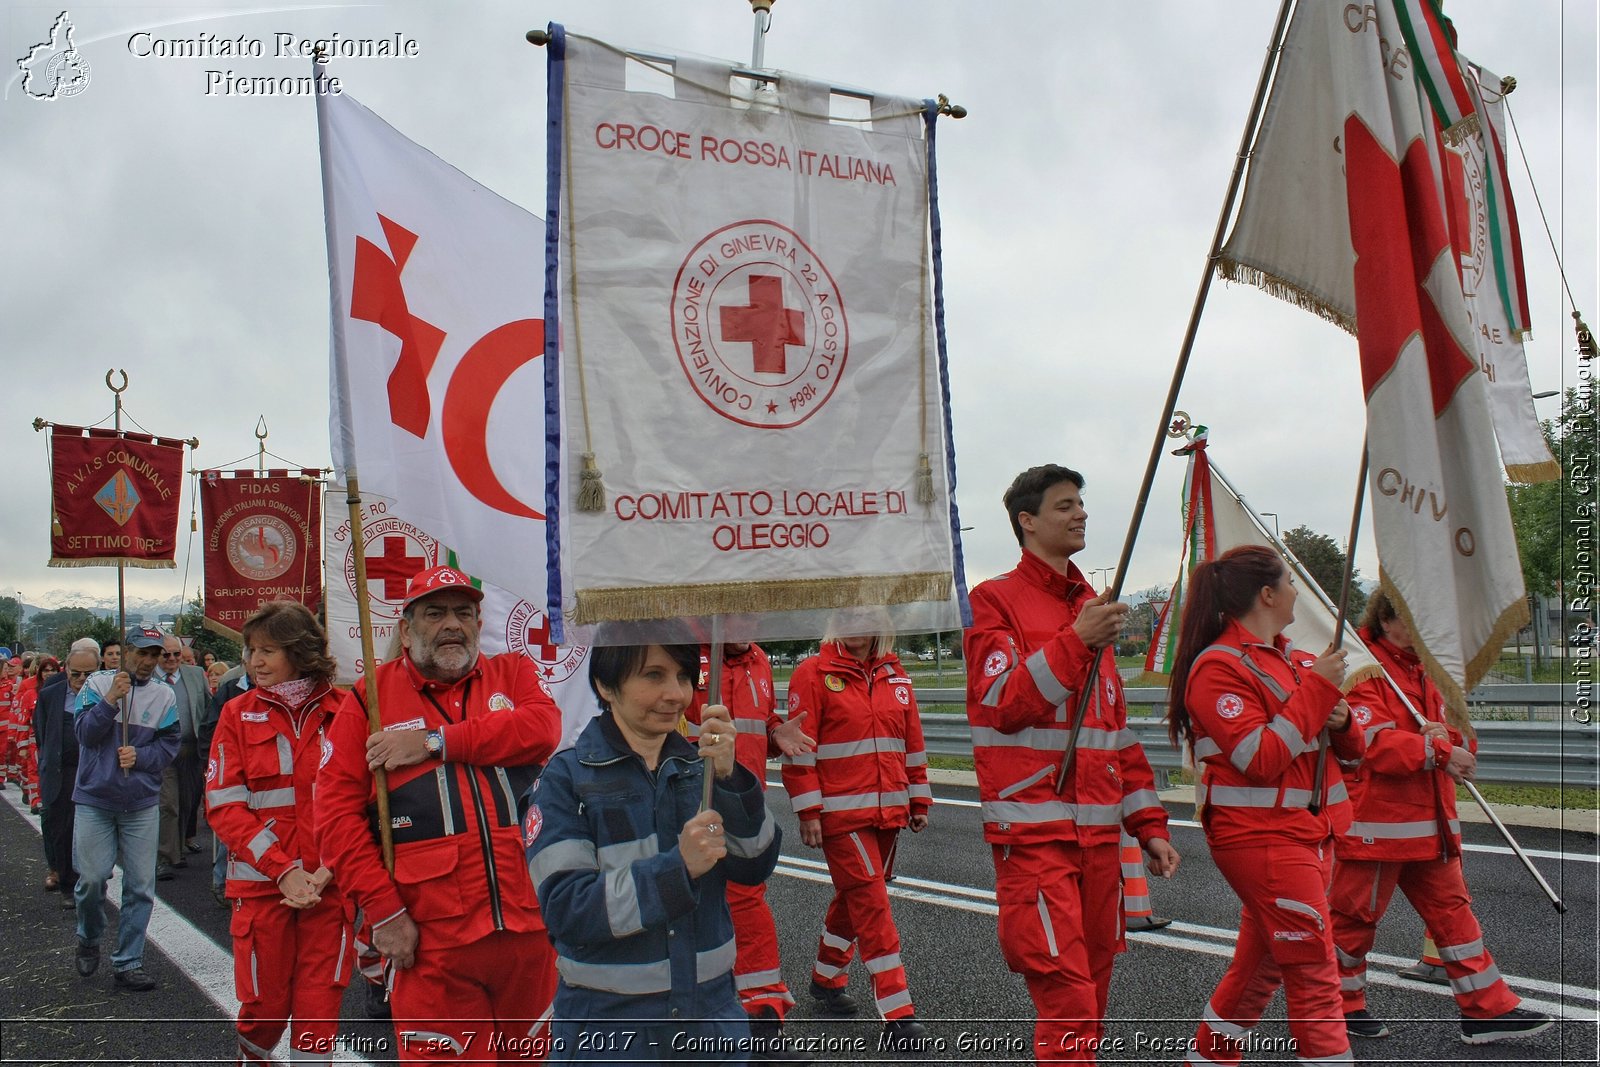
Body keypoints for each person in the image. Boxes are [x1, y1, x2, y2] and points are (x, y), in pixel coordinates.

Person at [962, 464, 1177, 1062]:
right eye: (1064, 505)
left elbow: (1114, 733)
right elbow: (1001, 702)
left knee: (1095, 994)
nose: (1080, 513)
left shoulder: (1092, 607)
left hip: (1101, 839)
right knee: (1069, 999)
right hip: (1034, 834)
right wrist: (1076, 641)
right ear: (1026, 521)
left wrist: (1150, 827)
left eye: (1081, 502)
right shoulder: (993, 600)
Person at [317, 565, 562, 1062]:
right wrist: (384, 913)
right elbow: (336, 821)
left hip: (531, 933)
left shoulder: (511, 674)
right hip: (431, 942)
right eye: (434, 613)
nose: (452, 624)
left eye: (463, 613)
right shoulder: (370, 700)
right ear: (406, 630)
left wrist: (435, 743)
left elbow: (543, 729)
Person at [528, 642, 781, 1061]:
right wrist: (676, 869)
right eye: (653, 676)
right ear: (605, 686)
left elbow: (756, 864)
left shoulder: (700, 768)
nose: (677, 694)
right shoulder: (564, 780)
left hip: (713, 1023)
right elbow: (567, 910)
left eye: (683, 677)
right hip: (610, 1033)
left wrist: (731, 778)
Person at [1166, 545, 1362, 1065]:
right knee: (1315, 972)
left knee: (1261, 970)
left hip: (1305, 833)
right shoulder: (1217, 668)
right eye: (1292, 581)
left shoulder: (1295, 660)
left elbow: (1347, 754)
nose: (1300, 590)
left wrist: (1344, 722)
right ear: (1268, 594)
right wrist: (1318, 691)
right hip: (1261, 838)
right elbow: (1260, 757)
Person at [1330, 590, 1552, 1045]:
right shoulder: (1361, 665)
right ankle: (1338, 1008)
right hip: (1378, 825)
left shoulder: (1425, 667)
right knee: (1353, 922)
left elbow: (1456, 735)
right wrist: (1438, 749)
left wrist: (1451, 743)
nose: (1428, 632)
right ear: (1389, 620)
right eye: (1418, 621)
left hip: (1431, 825)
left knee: (1454, 917)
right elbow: (1370, 741)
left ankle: (1486, 1010)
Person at [206, 601, 355, 1063]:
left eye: (267, 650)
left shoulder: (348, 710)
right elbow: (224, 806)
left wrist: (332, 865)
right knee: (262, 1009)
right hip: (262, 890)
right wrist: (283, 870)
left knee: (319, 1010)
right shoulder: (236, 713)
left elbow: (364, 801)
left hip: (329, 892)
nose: (255, 662)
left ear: (301, 651)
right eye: (251, 651)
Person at [782, 608, 932, 1048]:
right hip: (840, 816)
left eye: (868, 612)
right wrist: (808, 810)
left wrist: (918, 798)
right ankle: (898, 1012)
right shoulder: (812, 673)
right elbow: (800, 749)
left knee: (856, 897)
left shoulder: (897, 675)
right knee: (872, 903)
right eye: (849, 612)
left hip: (889, 813)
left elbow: (912, 741)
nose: (859, 621)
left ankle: (826, 980)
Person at [684, 639, 813, 1049]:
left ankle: (757, 1022)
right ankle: (747, 1025)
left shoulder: (757, 659)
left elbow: (756, 722)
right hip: (693, 804)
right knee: (720, 910)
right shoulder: (685, 651)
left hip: (744, 800)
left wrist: (777, 733)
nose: (743, 623)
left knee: (745, 902)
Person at [71, 626, 180, 991]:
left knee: (140, 887)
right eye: (142, 653)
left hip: (140, 804)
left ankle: (129, 960)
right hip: (95, 799)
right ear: (126, 651)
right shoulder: (98, 685)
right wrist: (110, 703)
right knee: (91, 879)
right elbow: (84, 735)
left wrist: (142, 755)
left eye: (155, 655)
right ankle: (89, 935)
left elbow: (169, 746)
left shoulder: (165, 696)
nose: (149, 662)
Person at [36, 648, 89, 901]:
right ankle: (68, 885)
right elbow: (42, 734)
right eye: (75, 673)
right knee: (62, 829)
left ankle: (92, 882)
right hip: (60, 773)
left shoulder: (105, 694)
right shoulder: (49, 695)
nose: (80, 678)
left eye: (87, 674)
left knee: (90, 829)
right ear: (66, 669)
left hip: (91, 772)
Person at [18, 656, 58, 812]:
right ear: (39, 672)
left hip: (54, 740)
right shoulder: (30, 694)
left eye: (53, 670)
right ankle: (36, 800)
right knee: (34, 770)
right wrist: (22, 744)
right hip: (35, 740)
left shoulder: (63, 692)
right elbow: (23, 721)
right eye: (46, 670)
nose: (49, 674)